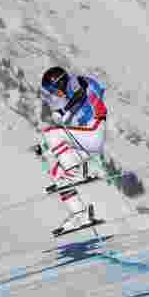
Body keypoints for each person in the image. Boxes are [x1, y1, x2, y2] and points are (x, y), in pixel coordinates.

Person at [37, 66, 109, 236]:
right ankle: (80, 217)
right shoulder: (70, 94)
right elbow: (68, 133)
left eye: (53, 90)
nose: (55, 94)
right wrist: (45, 148)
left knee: (50, 134)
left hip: (94, 132)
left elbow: (81, 92)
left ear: (59, 82)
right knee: (57, 175)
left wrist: (64, 111)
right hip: (86, 142)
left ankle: (75, 174)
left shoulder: (75, 81)